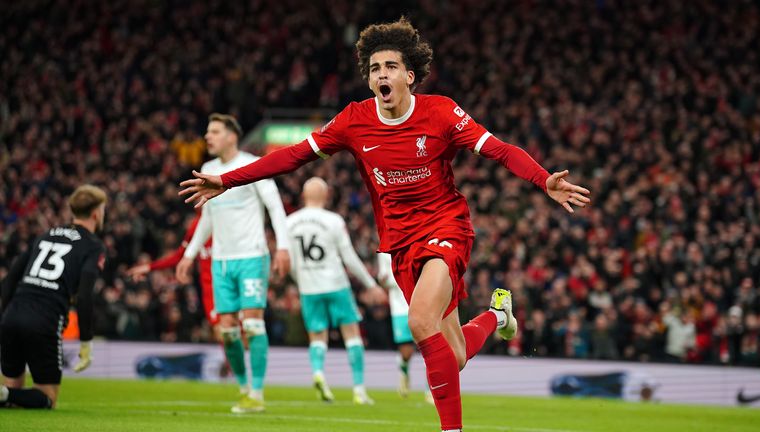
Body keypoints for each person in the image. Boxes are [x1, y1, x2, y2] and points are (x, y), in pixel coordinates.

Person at [180, 19, 590, 431]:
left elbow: (498, 150)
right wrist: (227, 180)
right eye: (375, 68)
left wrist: (543, 179)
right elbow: (292, 156)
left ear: (409, 76)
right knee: (456, 355)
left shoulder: (441, 113)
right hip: (400, 242)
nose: (382, 75)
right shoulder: (354, 121)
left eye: (390, 67)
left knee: (419, 322)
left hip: (447, 227)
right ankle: (499, 316)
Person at [176, 113, 291, 414]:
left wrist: (283, 247)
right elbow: (207, 217)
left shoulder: (253, 165)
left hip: (252, 256)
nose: (207, 137)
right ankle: (243, 389)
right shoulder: (209, 169)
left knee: (252, 324)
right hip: (221, 261)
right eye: (207, 131)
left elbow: (275, 209)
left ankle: (257, 392)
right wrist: (189, 255)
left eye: (214, 131)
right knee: (227, 330)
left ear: (232, 136)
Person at [0, 185, 107, 409]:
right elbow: (85, 296)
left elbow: (10, 280)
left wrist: (4, 316)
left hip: (13, 313)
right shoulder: (92, 246)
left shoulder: (45, 234)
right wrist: (86, 340)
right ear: (97, 213)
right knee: (47, 397)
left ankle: (3, 394)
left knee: (10, 392)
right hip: (44, 318)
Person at [286, 177, 385, 404]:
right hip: (336, 284)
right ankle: (359, 390)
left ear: (304, 195)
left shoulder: (289, 222)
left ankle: (318, 373)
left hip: (308, 287)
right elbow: (349, 258)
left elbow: (288, 261)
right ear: (325, 195)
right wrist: (371, 285)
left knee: (317, 337)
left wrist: (300, 280)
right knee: (352, 334)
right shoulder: (333, 220)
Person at [126, 211, 217, 328]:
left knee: (243, 326)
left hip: (234, 278)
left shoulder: (232, 219)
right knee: (223, 330)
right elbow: (179, 256)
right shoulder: (197, 224)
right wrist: (150, 267)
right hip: (210, 286)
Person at [377, 251, 434, 404]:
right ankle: (404, 371)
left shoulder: (417, 244)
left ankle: (431, 390)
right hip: (399, 307)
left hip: (421, 304)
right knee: (406, 353)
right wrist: (387, 280)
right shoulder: (384, 251)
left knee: (428, 349)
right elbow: (384, 278)